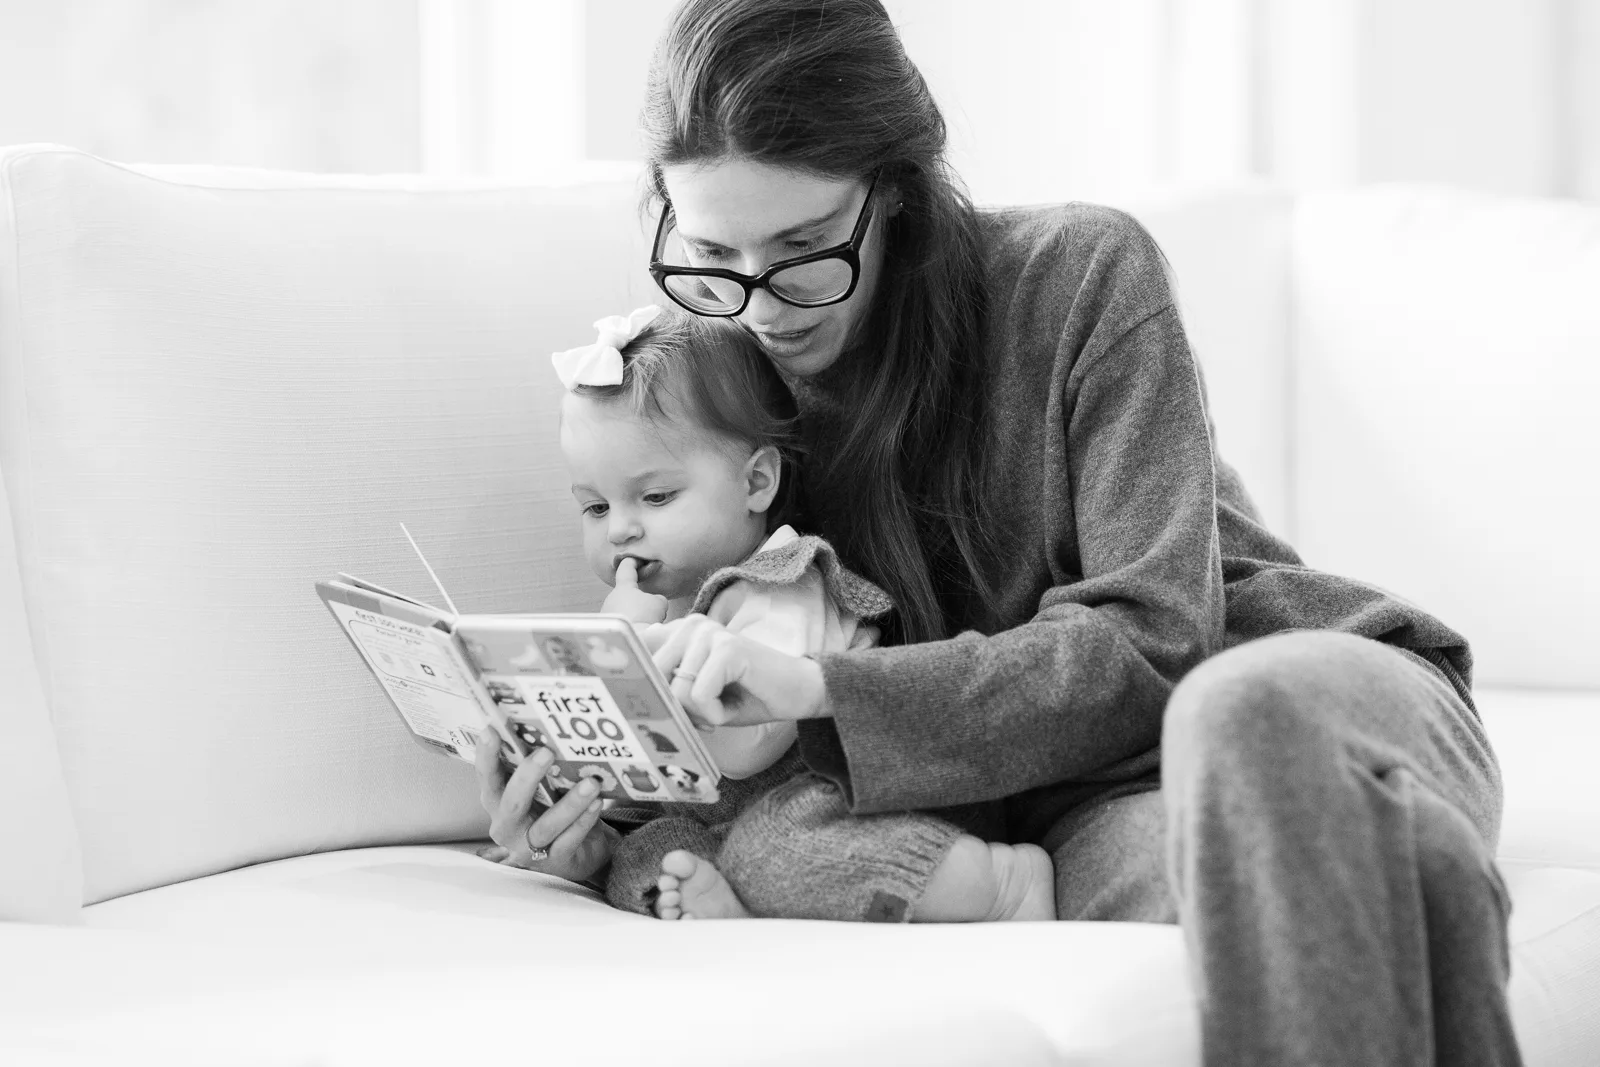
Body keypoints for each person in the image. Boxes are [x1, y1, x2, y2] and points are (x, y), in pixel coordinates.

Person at [476, 1, 1518, 1063]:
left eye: (801, 248)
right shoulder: (709, 414)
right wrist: (587, 824)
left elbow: (1155, 639)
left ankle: (1389, 839)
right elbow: (739, 775)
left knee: (1238, 719)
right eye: (712, 252)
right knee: (1290, 886)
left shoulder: (1079, 273)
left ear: (894, 194)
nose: (761, 304)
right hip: (1075, 823)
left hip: (1295, 689)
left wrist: (826, 690)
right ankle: (1415, 871)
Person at [481, 301, 1055, 923]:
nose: (620, 530)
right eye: (594, 509)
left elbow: (746, 747)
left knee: (774, 848)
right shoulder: (671, 603)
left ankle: (1004, 883)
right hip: (733, 825)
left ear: (757, 483)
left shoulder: (783, 578)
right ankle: (725, 907)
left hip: (842, 807)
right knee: (648, 853)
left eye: (655, 496)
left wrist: (632, 645)